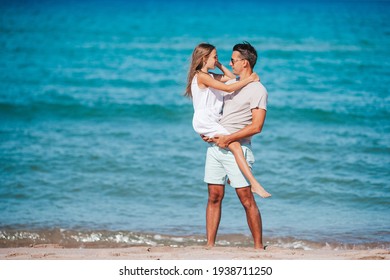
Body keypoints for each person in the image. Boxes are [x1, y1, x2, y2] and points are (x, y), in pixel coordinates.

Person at [202, 41, 269, 249]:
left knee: (246, 198)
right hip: (217, 148)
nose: (230, 64)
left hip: (237, 147)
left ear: (245, 63)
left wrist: (230, 138)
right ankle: (210, 245)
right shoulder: (232, 84)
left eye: (233, 60)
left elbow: (257, 126)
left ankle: (258, 247)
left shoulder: (258, 90)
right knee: (214, 196)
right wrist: (212, 133)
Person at [185, 43, 271, 198]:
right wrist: (251, 78)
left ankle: (238, 178)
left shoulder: (209, 76)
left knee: (234, 146)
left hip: (209, 121)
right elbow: (228, 88)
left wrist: (218, 64)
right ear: (204, 58)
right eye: (215, 57)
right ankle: (254, 184)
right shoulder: (202, 76)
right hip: (206, 120)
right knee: (236, 146)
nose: (219, 60)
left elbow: (232, 79)